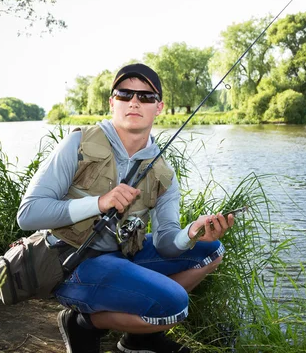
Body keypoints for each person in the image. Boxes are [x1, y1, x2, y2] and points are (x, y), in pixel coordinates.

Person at [17, 63, 234, 353]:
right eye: (125, 94)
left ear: (159, 107)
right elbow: (28, 214)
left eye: (145, 97)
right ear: (112, 102)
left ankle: (139, 337)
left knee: (211, 250)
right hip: (71, 262)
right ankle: (82, 323)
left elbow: (167, 243)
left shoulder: (163, 171)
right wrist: (99, 203)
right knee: (174, 304)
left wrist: (191, 233)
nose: (134, 101)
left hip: (120, 256)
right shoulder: (78, 143)